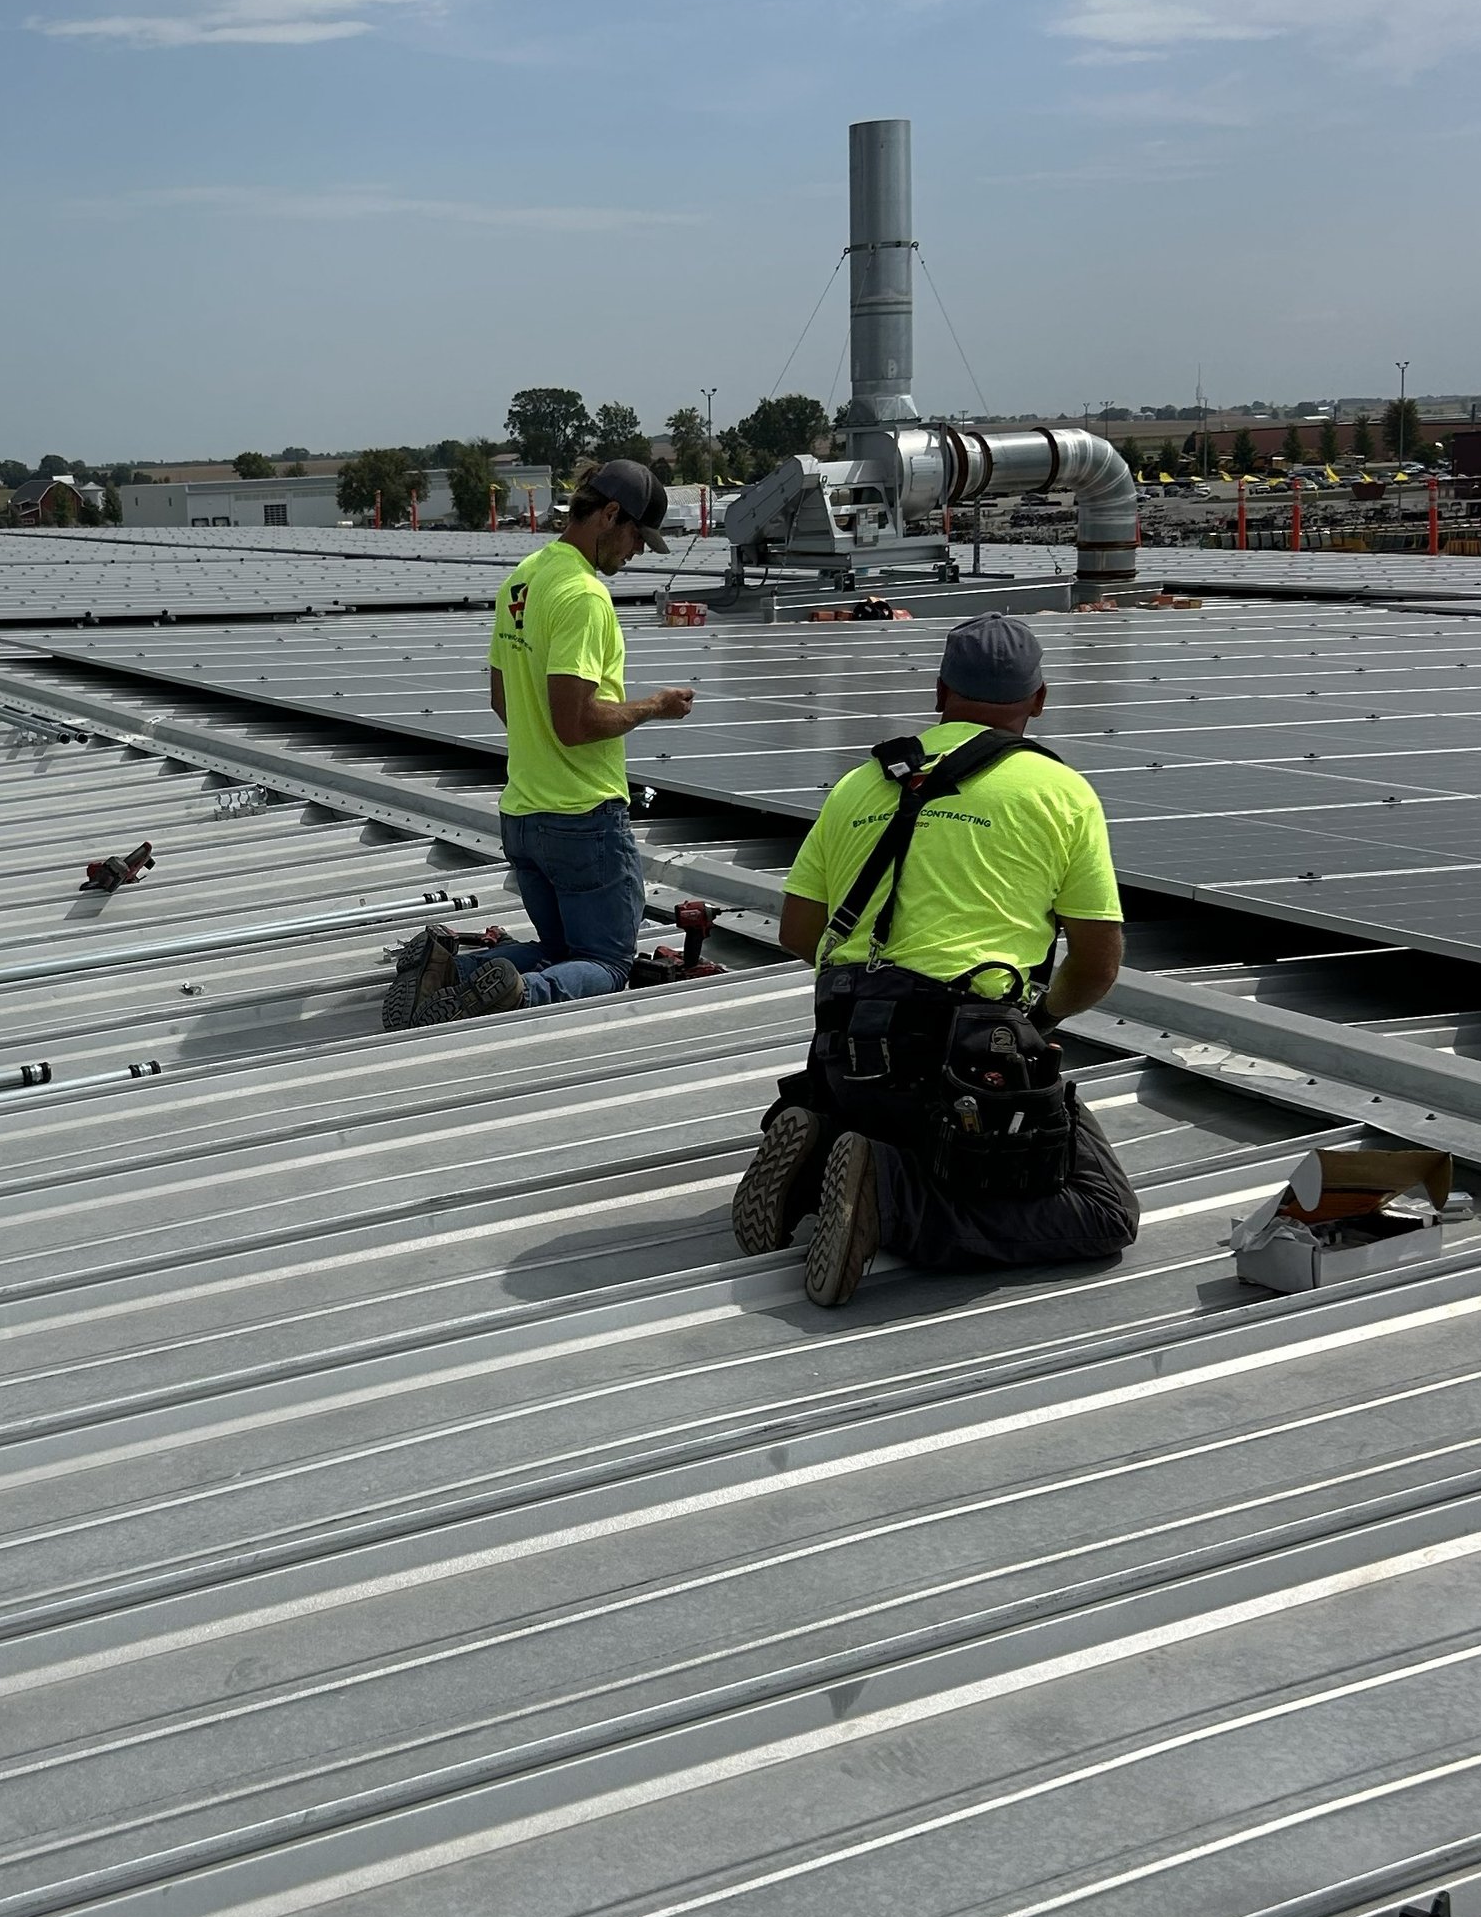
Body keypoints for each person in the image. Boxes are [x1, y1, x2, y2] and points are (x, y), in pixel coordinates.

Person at [732, 609, 1139, 1307]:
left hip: (843, 1059)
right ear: (1038, 701)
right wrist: (1040, 1018)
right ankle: (888, 1196)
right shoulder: (1061, 791)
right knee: (1103, 1210)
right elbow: (1098, 964)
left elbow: (800, 932)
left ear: (940, 692)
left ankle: (827, 1142)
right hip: (965, 1072)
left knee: (902, 1122)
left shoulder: (860, 782)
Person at [383, 455, 694, 1028]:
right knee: (604, 961)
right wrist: (654, 706)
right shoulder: (583, 595)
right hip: (582, 818)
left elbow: (502, 701)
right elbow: (573, 725)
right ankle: (515, 996)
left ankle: (448, 972)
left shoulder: (522, 579)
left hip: (522, 816)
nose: (636, 553)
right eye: (635, 538)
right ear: (609, 515)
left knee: (559, 954)